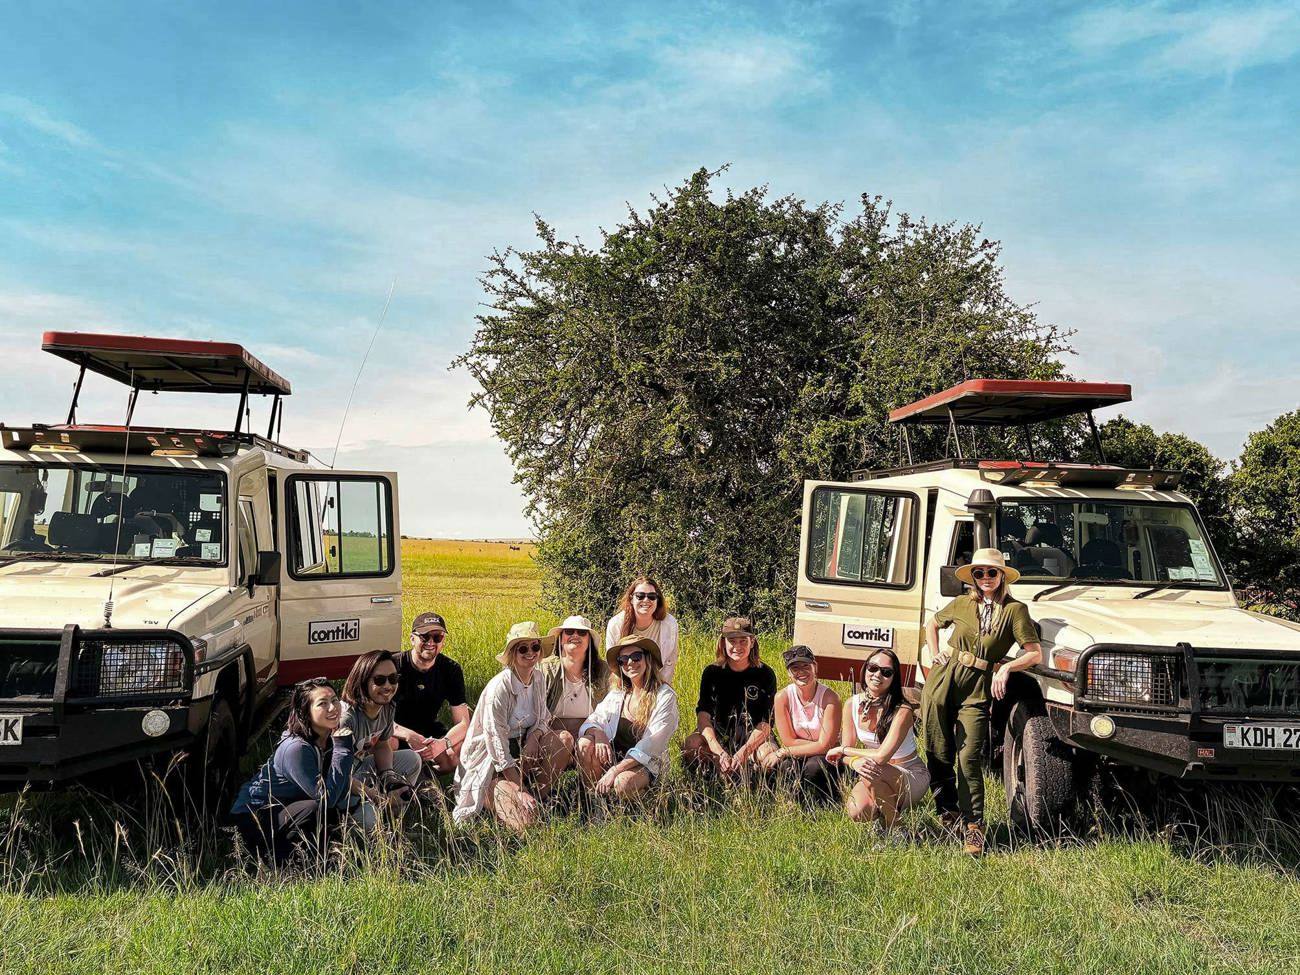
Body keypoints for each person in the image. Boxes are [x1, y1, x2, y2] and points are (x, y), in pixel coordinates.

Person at [921, 547, 1043, 856]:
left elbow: (1034, 653)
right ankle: (947, 812)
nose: (985, 577)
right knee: (938, 749)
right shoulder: (962, 602)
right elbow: (931, 623)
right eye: (979, 573)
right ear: (973, 577)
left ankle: (974, 826)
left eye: (991, 572)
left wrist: (1006, 668)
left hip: (976, 689)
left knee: (969, 757)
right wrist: (934, 652)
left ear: (1002, 575)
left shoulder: (1015, 610)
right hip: (943, 678)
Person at [452, 622, 568, 829]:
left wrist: (534, 738)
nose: (530, 652)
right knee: (527, 824)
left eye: (535, 647)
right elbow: (496, 743)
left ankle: (537, 797)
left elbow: (543, 717)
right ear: (513, 654)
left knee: (564, 739)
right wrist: (518, 789)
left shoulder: (538, 678)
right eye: (523, 648)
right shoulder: (500, 687)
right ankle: (511, 795)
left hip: (525, 750)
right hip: (492, 762)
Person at [230, 678, 355, 864]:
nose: (332, 708)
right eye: (322, 703)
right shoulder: (296, 748)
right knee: (316, 808)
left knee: (331, 811)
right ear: (305, 712)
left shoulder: (327, 740)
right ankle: (282, 862)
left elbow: (339, 789)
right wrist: (343, 749)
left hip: (287, 809)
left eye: (334, 700)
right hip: (254, 817)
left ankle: (323, 860)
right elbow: (326, 799)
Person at [827, 648, 928, 832]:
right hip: (875, 773)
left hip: (909, 774)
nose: (877, 675)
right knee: (857, 810)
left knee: (871, 769)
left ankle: (897, 829)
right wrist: (854, 762)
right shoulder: (851, 704)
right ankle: (884, 815)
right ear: (865, 668)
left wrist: (844, 750)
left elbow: (881, 756)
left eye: (886, 672)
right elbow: (845, 756)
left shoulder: (903, 710)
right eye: (873, 668)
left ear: (894, 678)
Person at [576, 634, 679, 801]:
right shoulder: (619, 693)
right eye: (623, 660)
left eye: (636, 657)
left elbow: (651, 745)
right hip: (614, 759)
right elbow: (593, 720)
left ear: (648, 659)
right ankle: (595, 803)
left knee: (621, 783)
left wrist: (615, 770)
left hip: (645, 764)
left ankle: (650, 803)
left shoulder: (664, 696)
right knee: (585, 743)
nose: (630, 663)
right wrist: (598, 733)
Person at [681, 617, 776, 779]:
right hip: (719, 735)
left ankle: (754, 780)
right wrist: (717, 751)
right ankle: (709, 779)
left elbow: (766, 723)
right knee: (692, 744)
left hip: (752, 736)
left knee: (768, 753)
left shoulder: (765, 673)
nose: (737, 647)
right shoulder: (712, 672)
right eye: (732, 641)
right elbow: (703, 715)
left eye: (743, 641)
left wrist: (743, 752)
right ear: (723, 643)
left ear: (752, 642)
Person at [340, 650, 423, 828]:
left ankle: (394, 821)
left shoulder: (386, 706)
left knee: (412, 759)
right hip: (340, 783)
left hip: (359, 769)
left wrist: (388, 775)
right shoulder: (347, 718)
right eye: (379, 680)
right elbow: (338, 776)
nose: (388, 686)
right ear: (362, 681)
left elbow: (382, 745)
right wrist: (378, 797)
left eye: (393, 679)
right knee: (369, 819)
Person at [759, 645, 842, 804]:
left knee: (814, 767)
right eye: (795, 668)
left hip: (826, 756)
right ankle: (794, 805)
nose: (801, 672)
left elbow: (827, 746)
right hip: (799, 752)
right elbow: (788, 740)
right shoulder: (782, 697)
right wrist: (817, 744)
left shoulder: (830, 698)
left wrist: (783, 751)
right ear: (789, 673)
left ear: (815, 667)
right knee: (786, 766)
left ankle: (824, 804)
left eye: (806, 666)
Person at [392, 611, 470, 774]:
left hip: (430, 733)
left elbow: (463, 723)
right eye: (425, 636)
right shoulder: (393, 666)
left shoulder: (451, 669)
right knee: (387, 742)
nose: (430, 642)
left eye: (437, 637)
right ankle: (393, 777)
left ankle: (424, 775)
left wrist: (442, 744)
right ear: (412, 639)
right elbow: (377, 719)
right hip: (397, 732)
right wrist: (408, 735)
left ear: (443, 641)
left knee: (460, 749)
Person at [538, 615, 609, 773]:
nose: (575, 635)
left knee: (588, 745)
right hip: (552, 737)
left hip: (588, 736)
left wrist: (596, 732)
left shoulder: (603, 671)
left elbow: (610, 711)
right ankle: (541, 788)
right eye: (569, 631)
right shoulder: (545, 669)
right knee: (564, 740)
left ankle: (592, 789)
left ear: (589, 641)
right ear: (561, 639)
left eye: (582, 633)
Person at [605, 576, 681, 685]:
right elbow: (613, 665)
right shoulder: (616, 624)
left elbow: (669, 663)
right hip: (625, 681)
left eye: (652, 596)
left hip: (658, 681)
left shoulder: (669, 624)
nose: (646, 600)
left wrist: (661, 689)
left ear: (657, 600)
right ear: (631, 599)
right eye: (640, 596)